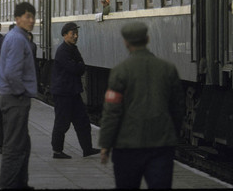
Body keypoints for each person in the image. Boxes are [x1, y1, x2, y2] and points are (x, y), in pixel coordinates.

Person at [99, 21, 185, 189]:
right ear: (147, 39)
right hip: (161, 146)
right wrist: (171, 133)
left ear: (126, 42)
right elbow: (178, 107)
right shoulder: (168, 69)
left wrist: (105, 145)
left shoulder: (120, 71)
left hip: (127, 147)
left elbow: (111, 112)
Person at [0, 2, 37, 190]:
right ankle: (8, 185)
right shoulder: (17, 39)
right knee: (14, 147)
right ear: (17, 18)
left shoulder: (18, 37)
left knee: (23, 144)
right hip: (15, 98)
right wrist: (21, 93)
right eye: (28, 16)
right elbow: (12, 73)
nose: (32, 20)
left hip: (13, 97)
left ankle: (21, 183)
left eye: (33, 16)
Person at [50, 22, 100, 159]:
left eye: (76, 33)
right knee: (62, 122)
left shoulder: (72, 49)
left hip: (73, 92)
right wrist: (78, 65)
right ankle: (57, 151)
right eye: (73, 34)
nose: (76, 36)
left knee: (82, 121)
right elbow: (75, 68)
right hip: (63, 93)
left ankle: (87, 149)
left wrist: (78, 65)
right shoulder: (62, 51)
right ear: (65, 35)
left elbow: (81, 66)